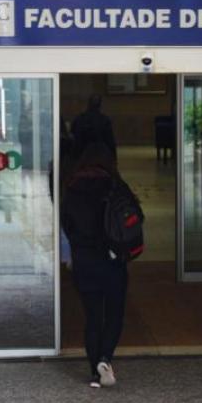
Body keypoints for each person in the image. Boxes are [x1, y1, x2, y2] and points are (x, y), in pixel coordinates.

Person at [61, 142, 128, 388]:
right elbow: (135, 218)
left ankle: (94, 373)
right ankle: (105, 358)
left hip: (84, 261)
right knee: (114, 314)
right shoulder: (115, 185)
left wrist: (71, 255)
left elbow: (65, 226)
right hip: (112, 260)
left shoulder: (72, 188)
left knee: (92, 317)